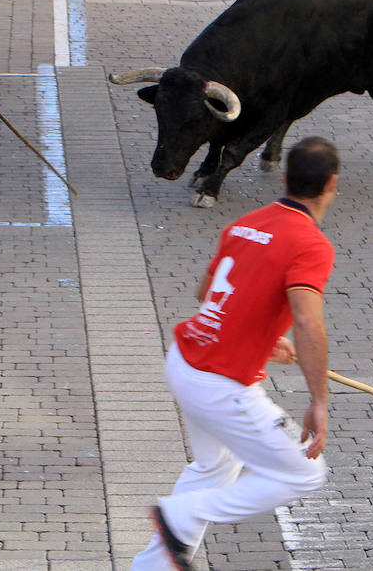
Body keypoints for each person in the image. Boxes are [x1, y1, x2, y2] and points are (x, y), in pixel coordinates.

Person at [130, 137, 340, 571]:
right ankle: (181, 513)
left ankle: (152, 567)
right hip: (220, 385)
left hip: (185, 363)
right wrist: (319, 401)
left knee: (214, 466)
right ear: (332, 184)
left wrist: (261, 340)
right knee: (302, 473)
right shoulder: (311, 244)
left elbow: (207, 294)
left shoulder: (246, 223)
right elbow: (307, 322)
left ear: (284, 179)